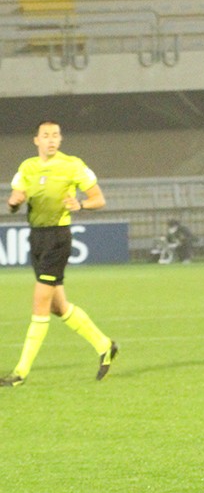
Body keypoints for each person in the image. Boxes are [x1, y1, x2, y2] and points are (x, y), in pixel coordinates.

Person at [2, 120, 118, 388]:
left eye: (55, 135)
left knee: (40, 303)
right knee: (58, 306)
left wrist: (81, 204)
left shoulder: (72, 165)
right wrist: (13, 203)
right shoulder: (27, 167)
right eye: (46, 135)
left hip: (57, 238)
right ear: (36, 140)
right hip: (36, 237)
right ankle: (104, 345)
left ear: (60, 139)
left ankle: (20, 373)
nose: (51, 139)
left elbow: (99, 199)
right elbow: (15, 199)